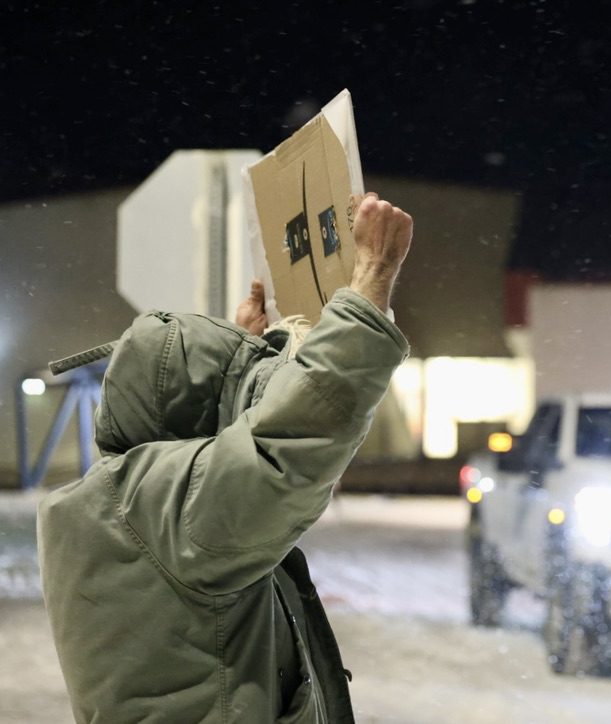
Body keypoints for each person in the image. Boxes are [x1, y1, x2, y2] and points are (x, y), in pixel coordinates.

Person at [38, 192, 412, 723]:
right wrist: (372, 279)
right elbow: (293, 442)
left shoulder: (111, 504)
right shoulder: (164, 507)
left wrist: (243, 348)